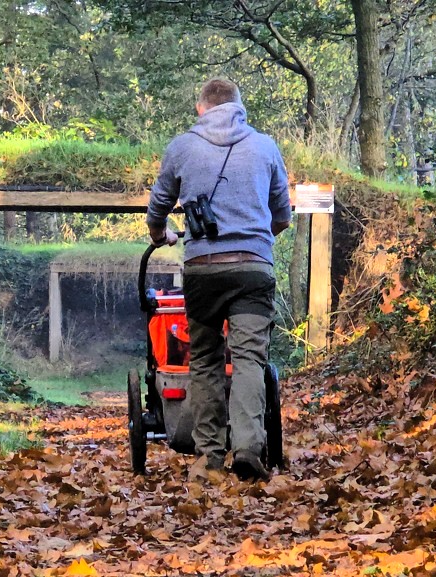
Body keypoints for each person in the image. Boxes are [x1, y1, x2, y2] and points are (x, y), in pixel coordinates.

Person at [146, 78, 292, 481]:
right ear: (240, 107)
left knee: (206, 359)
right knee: (248, 359)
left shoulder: (182, 146)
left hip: (203, 270)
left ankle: (210, 455)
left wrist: (161, 235)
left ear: (201, 108)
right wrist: (254, 241)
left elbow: (157, 206)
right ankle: (247, 448)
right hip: (253, 270)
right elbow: (282, 215)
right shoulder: (265, 147)